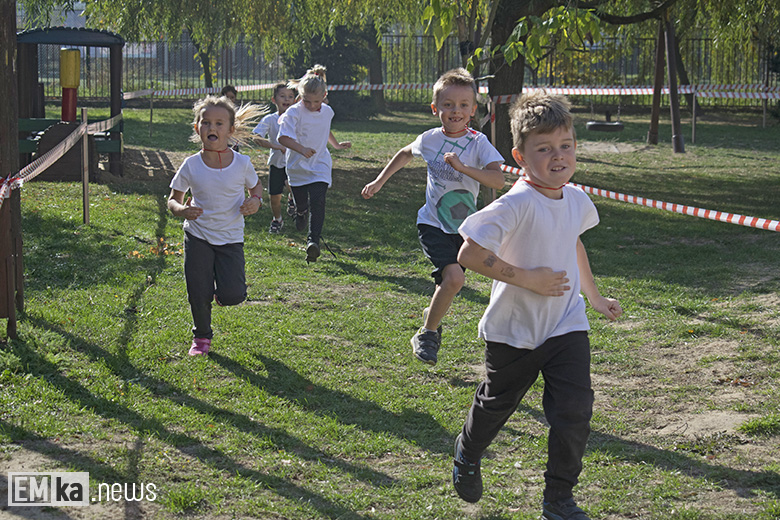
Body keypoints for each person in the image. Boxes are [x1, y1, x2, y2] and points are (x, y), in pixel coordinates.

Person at [451, 90, 623, 520]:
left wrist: (594, 297)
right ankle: (467, 453)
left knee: (574, 412)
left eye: (566, 146)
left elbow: (573, 244)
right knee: (496, 406)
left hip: (567, 326)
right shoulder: (515, 203)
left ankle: (558, 500)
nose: (558, 157)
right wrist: (527, 279)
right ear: (520, 155)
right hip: (515, 331)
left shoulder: (576, 198)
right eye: (544, 149)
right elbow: (469, 254)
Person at [361, 67, 504, 366]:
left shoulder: (478, 143)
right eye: (448, 105)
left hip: (463, 228)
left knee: (450, 282)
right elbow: (404, 152)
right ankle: (427, 334)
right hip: (432, 222)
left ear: (473, 110)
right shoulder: (429, 139)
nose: (456, 111)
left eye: (464, 105)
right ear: (435, 108)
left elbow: (497, 180)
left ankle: (431, 316)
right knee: (454, 279)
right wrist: (379, 181)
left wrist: (464, 168)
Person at [167, 95, 265, 356]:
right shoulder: (191, 165)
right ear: (197, 128)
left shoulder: (242, 164)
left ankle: (222, 295)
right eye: (206, 122)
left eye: (219, 123)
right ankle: (201, 338)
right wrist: (183, 210)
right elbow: (173, 200)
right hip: (198, 235)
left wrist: (255, 201)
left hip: (231, 237)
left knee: (234, 294)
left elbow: (256, 188)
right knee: (198, 290)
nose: (212, 128)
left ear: (231, 130)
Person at [278, 65, 351, 263]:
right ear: (299, 97)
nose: (311, 106)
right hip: (297, 166)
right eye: (307, 101)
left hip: (320, 164)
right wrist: (301, 149)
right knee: (303, 203)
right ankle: (299, 209)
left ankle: (313, 242)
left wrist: (335, 144)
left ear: (325, 96)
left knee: (319, 201)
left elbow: (324, 128)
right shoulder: (293, 113)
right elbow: (283, 138)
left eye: (316, 101)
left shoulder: (327, 111)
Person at [252, 82, 297, 233]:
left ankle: (293, 199)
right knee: (274, 198)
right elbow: (256, 137)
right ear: (274, 100)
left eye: (291, 96)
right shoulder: (269, 120)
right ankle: (277, 220)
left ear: (295, 100)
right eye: (283, 96)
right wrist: (277, 146)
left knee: (291, 184)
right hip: (277, 164)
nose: (287, 99)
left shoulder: (298, 118)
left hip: (295, 163)